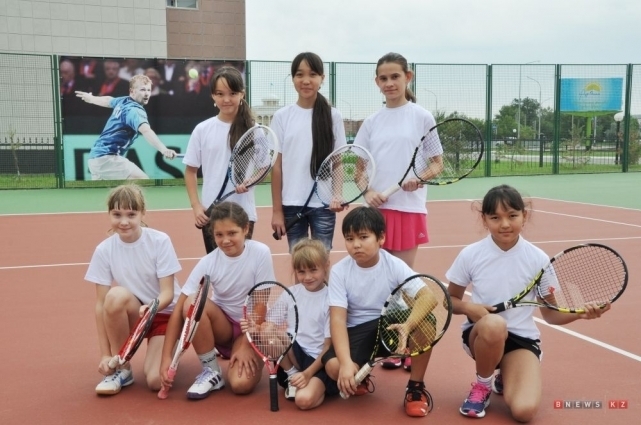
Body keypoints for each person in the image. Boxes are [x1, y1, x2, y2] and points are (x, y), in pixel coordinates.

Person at [446, 184, 610, 421]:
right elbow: (449, 301)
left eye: (512, 215)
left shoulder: (538, 259)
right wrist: (469, 307)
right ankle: (483, 385)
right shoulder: (471, 254)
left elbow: (551, 314)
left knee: (524, 412)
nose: (505, 224)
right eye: (495, 217)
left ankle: (506, 373)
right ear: (484, 219)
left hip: (521, 341)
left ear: (525, 215)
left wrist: (580, 313)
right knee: (494, 325)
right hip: (482, 335)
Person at [354, 52, 442, 371]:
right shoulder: (371, 123)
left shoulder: (422, 117)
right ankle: (391, 343)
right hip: (376, 213)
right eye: (383, 78)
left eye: (395, 76)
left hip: (408, 209)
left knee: (404, 284)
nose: (389, 83)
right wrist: (368, 192)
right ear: (376, 82)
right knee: (381, 284)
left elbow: (437, 163)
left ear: (408, 77)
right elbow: (359, 170)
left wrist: (419, 178)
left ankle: (410, 344)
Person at [322, 206, 437, 417]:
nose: (356, 244)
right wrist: (346, 363)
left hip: (390, 325)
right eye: (349, 239)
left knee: (426, 323)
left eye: (363, 237)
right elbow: (337, 319)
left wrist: (407, 326)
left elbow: (428, 297)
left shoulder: (394, 265)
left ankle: (415, 388)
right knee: (334, 368)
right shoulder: (339, 271)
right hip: (357, 331)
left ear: (381, 238)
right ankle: (360, 371)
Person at [159, 201, 276, 400]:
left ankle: (242, 352)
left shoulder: (261, 253)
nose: (225, 240)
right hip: (222, 328)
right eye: (219, 235)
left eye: (232, 233)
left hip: (251, 327)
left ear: (246, 229)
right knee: (191, 303)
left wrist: (246, 344)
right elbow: (179, 309)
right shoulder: (208, 262)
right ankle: (211, 370)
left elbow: (260, 304)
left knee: (240, 385)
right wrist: (166, 357)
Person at [85, 184, 182, 396]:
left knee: (155, 381)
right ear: (109, 214)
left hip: (166, 315)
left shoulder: (159, 241)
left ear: (142, 213)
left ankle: (170, 349)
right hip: (137, 314)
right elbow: (101, 305)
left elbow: (167, 292)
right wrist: (105, 354)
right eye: (117, 214)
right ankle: (122, 368)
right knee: (114, 296)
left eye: (131, 214)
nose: (124, 221)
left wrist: (152, 307)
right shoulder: (104, 250)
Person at [241, 238, 337, 410]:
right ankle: (291, 375)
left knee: (303, 401)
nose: (307, 277)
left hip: (319, 361)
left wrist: (307, 374)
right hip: (294, 355)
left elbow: (328, 347)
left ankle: (319, 385)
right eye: (301, 272)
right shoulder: (290, 293)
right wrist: (255, 328)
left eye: (313, 270)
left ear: (326, 265)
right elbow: (269, 325)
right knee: (266, 330)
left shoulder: (332, 299)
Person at [270, 52, 348, 251]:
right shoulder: (281, 117)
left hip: (324, 205)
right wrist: (277, 211)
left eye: (312, 74)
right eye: (299, 74)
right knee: (299, 262)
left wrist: (337, 195)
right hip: (290, 204)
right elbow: (276, 167)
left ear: (322, 78)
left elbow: (338, 161)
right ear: (293, 79)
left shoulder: (333, 116)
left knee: (321, 260)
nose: (306, 80)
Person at [182, 66, 258, 254]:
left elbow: (264, 166)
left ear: (242, 94)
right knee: (216, 266)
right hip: (212, 213)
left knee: (241, 266)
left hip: (244, 213)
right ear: (213, 96)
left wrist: (250, 181)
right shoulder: (202, 129)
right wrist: (196, 206)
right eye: (220, 94)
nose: (226, 99)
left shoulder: (254, 130)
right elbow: (190, 171)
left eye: (232, 93)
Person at [75, 74, 177, 180]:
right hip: (107, 158)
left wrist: (92, 99)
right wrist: (163, 150)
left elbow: (108, 100)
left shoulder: (124, 101)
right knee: (143, 181)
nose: (147, 93)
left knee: (114, 190)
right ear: (132, 91)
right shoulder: (134, 110)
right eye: (142, 90)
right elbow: (146, 131)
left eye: (149, 90)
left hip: (96, 158)